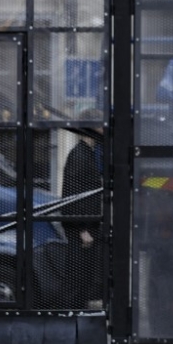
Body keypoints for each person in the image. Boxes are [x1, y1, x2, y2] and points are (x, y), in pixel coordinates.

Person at [61, 110, 105, 309]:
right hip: (82, 230)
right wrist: (81, 230)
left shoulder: (87, 154)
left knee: (84, 278)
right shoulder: (79, 156)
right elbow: (71, 196)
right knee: (77, 279)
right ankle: (72, 319)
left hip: (88, 226)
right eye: (101, 125)